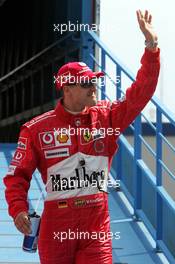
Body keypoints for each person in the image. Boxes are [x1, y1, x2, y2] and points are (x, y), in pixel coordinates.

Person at [4, 10, 160, 264]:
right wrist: (19, 209)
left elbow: (141, 92)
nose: (93, 86)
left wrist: (151, 47)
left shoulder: (108, 116)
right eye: (86, 83)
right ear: (67, 89)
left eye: (94, 81)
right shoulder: (36, 129)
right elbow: (17, 177)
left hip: (95, 223)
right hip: (57, 225)